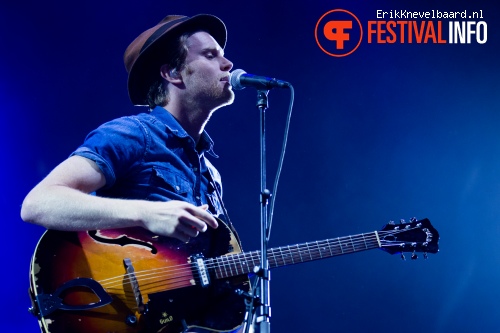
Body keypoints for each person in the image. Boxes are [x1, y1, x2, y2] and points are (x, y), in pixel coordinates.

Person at [21, 14, 245, 333]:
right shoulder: (133, 135)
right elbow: (39, 203)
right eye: (211, 55)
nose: (228, 63)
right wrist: (145, 212)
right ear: (172, 73)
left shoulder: (210, 172)